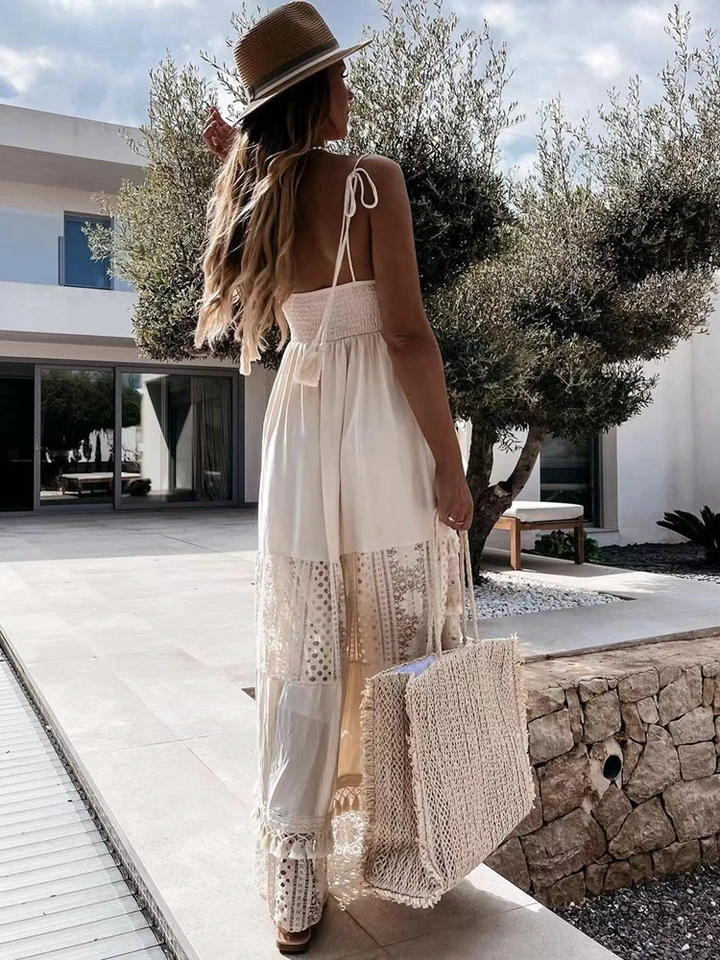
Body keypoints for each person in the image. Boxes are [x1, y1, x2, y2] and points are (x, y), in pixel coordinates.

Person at [198, 2, 473, 953]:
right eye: (341, 76)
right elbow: (407, 336)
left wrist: (234, 162)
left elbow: (255, 228)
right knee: (397, 631)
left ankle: (296, 882)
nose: (352, 89)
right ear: (314, 92)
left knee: (306, 646)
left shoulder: (258, 196)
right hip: (377, 426)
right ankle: (408, 846)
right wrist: (450, 463)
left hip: (302, 422)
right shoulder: (371, 182)